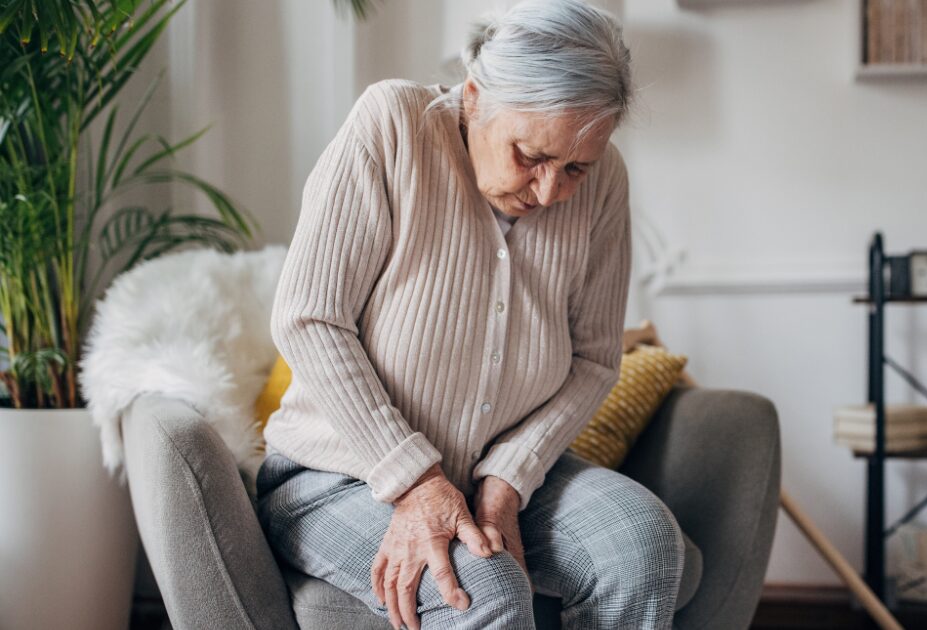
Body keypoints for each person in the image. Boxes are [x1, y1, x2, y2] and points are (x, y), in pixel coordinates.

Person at [255, 1, 692, 628]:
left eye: (574, 167)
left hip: (500, 475)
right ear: (475, 97)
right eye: (530, 155)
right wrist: (416, 480)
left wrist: (511, 475)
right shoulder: (393, 122)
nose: (549, 192)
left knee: (641, 542)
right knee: (481, 590)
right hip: (336, 476)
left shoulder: (606, 183)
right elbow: (309, 317)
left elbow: (595, 359)